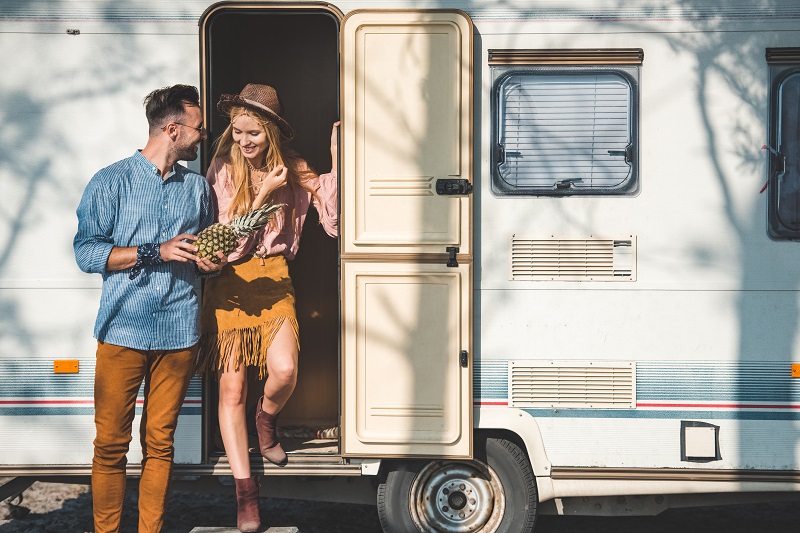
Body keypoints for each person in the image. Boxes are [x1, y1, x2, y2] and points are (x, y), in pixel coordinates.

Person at [73, 84, 226, 533]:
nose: (202, 137)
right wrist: (153, 251)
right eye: (198, 129)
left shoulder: (197, 188)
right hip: (122, 333)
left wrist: (211, 264)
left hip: (179, 334)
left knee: (160, 445)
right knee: (111, 446)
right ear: (173, 129)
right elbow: (87, 253)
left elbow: (201, 258)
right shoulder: (110, 181)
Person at [196, 83, 338, 533]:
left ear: (271, 130)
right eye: (237, 132)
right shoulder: (221, 170)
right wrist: (261, 196)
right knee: (231, 391)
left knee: (284, 371)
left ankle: (267, 420)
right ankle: (246, 495)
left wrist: (340, 157)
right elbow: (226, 245)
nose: (244, 141)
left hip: (274, 278)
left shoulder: (291, 168)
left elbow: (333, 220)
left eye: (253, 132)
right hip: (230, 285)